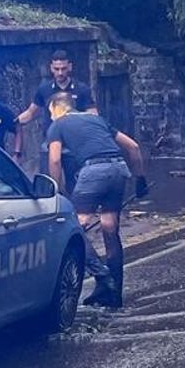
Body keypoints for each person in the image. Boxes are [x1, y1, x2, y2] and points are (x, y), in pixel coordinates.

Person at [45, 91, 147, 309]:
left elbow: (54, 160)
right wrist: (140, 180)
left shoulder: (58, 124)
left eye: (50, 111)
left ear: (56, 107)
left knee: (74, 226)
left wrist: (56, 190)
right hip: (119, 168)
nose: (50, 116)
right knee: (110, 227)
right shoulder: (96, 119)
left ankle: (102, 277)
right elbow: (133, 147)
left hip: (93, 171)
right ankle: (115, 295)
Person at [17, 50, 95, 174]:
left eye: (63, 69)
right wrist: (13, 122)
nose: (60, 73)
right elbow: (31, 112)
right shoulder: (44, 89)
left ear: (70, 67)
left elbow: (92, 115)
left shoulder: (82, 89)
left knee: (74, 182)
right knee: (46, 181)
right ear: (51, 68)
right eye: (57, 69)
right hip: (50, 140)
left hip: (73, 143)